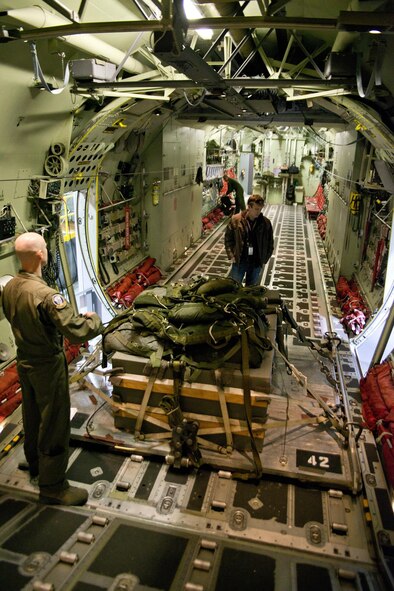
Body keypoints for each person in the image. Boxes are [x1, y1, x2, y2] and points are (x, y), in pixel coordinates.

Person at [2, 232, 104, 506]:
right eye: (45, 247)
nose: (47, 250)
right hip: (48, 364)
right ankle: (54, 486)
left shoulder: (10, 286)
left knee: (32, 415)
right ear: (39, 255)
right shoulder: (47, 296)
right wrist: (95, 320)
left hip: (25, 361)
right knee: (55, 422)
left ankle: (35, 465)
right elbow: (77, 331)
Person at [225, 194, 274, 286]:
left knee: (251, 291)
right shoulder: (236, 220)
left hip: (256, 263)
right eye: (256, 209)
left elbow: (270, 243)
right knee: (234, 288)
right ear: (249, 207)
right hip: (239, 261)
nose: (258, 212)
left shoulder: (265, 223)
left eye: (260, 209)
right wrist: (231, 255)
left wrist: (264, 259)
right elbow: (228, 239)